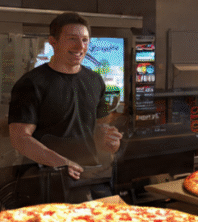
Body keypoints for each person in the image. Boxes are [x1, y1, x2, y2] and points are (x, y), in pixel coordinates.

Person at [8, 12, 123, 202]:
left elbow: (100, 129)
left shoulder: (95, 80)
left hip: (89, 179)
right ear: (53, 42)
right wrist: (61, 163)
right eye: (72, 39)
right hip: (45, 182)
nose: (80, 46)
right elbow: (19, 138)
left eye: (84, 40)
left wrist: (111, 143)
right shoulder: (31, 83)